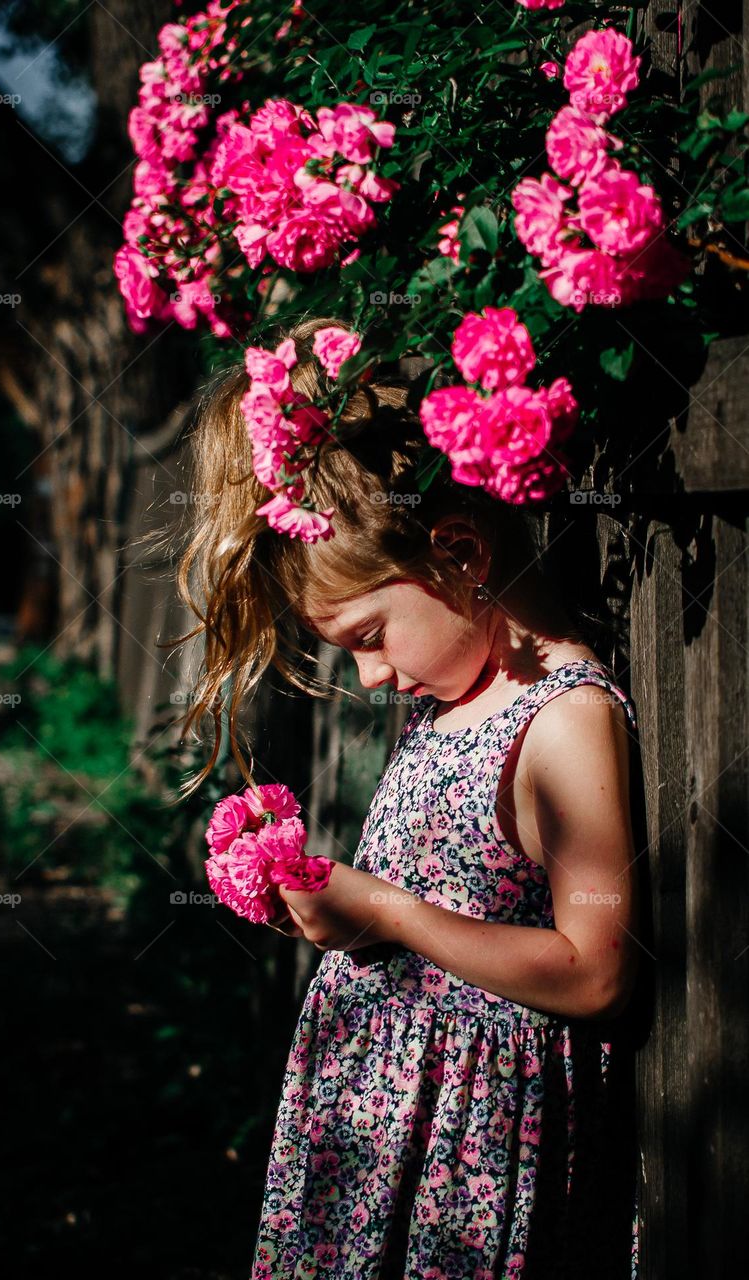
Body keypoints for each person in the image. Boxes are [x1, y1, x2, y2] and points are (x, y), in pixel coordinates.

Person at [170, 317, 641, 1280]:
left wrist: (386, 910)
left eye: (370, 633)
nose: (371, 677)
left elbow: (593, 972)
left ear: (461, 556)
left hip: (468, 1156)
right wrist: (341, 915)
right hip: (377, 1135)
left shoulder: (560, 720)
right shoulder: (459, 692)